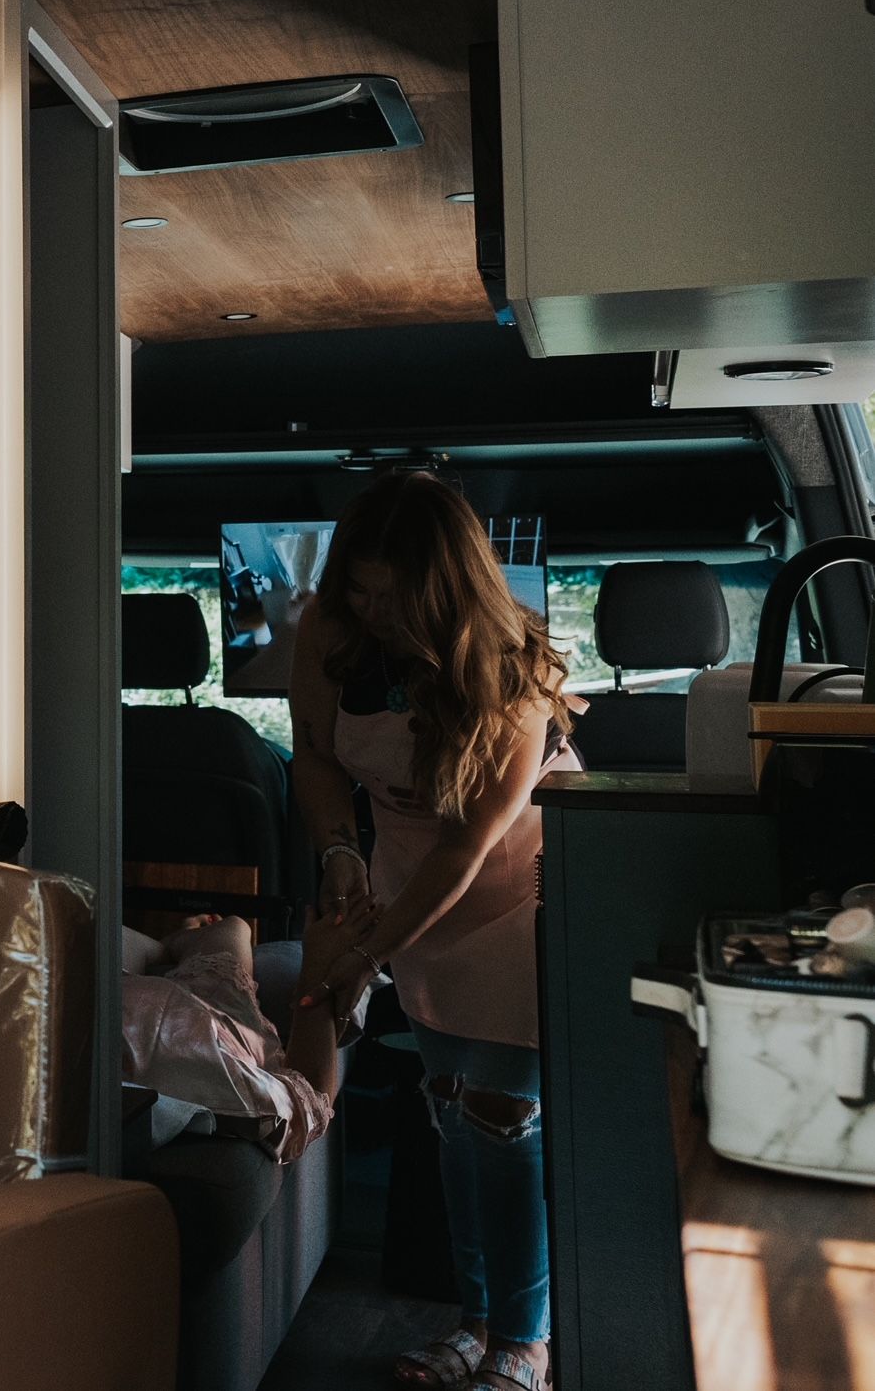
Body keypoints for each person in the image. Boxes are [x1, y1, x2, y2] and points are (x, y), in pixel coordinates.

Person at [287, 472, 578, 1391]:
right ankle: (475, 1319)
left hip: (508, 896)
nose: (369, 611)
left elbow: (468, 849)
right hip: (404, 882)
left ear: (442, 590)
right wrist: (339, 854)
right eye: (358, 589)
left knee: (504, 1122)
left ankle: (525, 1341)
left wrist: (365, 959)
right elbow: (317, 756)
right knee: (449, 1108)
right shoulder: (330, 634)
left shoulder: (514, 672)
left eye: (390, 596)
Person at [120, 906, 370, 1165]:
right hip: (201, 1031)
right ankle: (175, 944)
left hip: (172, 1010)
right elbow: (308, 1106)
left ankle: (174, 945)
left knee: (234, 927)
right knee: (232, 929)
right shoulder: (177, 1072)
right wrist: (320, 968)